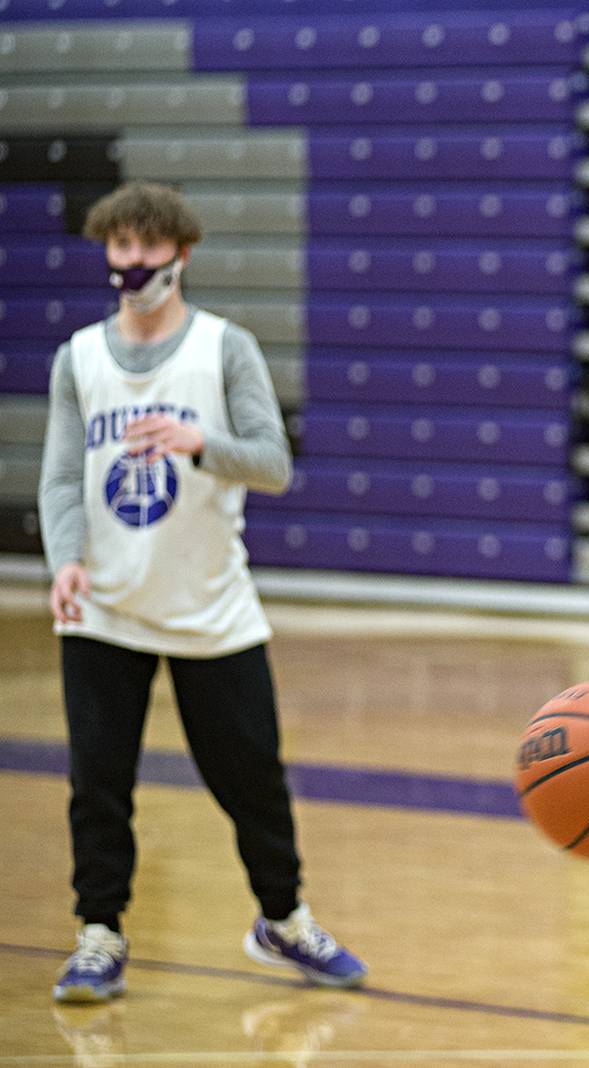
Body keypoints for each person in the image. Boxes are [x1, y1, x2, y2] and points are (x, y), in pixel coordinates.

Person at [37, 181, 366, 1002]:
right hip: (106, 608)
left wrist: (198, 440)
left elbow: (275, 464)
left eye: (148, 247)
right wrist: (65, 559)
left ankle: (283, 921)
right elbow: (61, 479)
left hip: (212, 607)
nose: (133, 261)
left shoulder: (224, 348)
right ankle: (98, 934)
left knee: (253, 778)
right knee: (98, 785)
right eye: (119, 247)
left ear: (182, 254)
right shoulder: (78, 357)